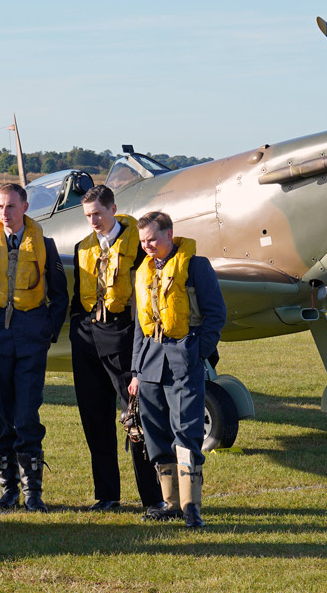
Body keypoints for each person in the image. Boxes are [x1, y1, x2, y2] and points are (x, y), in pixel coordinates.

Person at [0, 183, 67, 512]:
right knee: (0, 417)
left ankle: (32, 493)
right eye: (0, 206)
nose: (4, 213)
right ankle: (8, 490)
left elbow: (59, 295)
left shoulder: (46, 245)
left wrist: (46, 331)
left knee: (26, 415)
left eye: (11, 206)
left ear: (25, 207)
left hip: (30, 341)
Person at [127, 211, 226, 528]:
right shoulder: (143, 271)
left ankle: (191, 507)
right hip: (150, 362)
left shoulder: (197, 267)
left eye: (153, 239)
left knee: (186, 431)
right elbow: (140, 327)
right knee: (155, 434)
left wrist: (197, 352)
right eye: (143, 241)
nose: (147, 246)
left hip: (184, 358)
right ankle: (169, 503)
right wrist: (135, 371)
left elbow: (216, 316)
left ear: (170, 235)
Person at [69, 185, 161, 512]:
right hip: (87, 341)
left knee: (135, 419)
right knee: (94, 418)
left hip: (123, 339)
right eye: (88, 215)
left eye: (98, 213)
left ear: (113, 208)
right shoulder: (83, 247)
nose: (93, 220)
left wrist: (139, 350)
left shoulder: (138, 247)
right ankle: (107, 495)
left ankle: (153, 498)